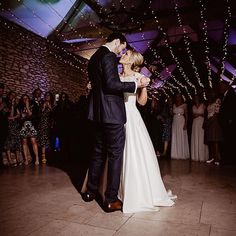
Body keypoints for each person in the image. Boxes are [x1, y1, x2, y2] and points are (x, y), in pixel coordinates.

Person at [82, 33, 150, 213]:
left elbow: (101, 85)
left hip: (97, 114)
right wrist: (135, 85)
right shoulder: (109, 56)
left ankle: (90, 192)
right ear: (118, 42)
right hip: (112, 114)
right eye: (122, 48)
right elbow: (111, 84)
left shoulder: (94, 57)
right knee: (114, 155)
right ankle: (111, 199)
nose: (121, 52)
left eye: (124, 52)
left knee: (97, 153)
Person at [118, 49, 175, 213]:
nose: (123, 54)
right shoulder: (115, 76)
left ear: (132, 61)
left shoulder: (138, 77)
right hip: (116, 118)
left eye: (126, 54)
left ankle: (136, 192)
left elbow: (142, 103)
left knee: (133, 151)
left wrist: (144, 86)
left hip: (131, 117)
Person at [218, 80, 236, 164]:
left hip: (229, 121)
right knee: (225, 139)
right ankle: (226, 158)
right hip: (224, 121)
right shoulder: (224, 96)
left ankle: (229, 159)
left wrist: (230, 119)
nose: (220, 88)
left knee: (229, 139)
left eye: (221, 86)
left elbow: (232, 107)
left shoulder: (231, 95)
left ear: (226, 86)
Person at [171, 93, 190, 160]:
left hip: (181, 121)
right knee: (175, 136)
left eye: (179, 97)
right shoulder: (174, 105)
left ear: (181, 97)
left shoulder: (184, 105)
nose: (178, 98)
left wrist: (186, 124)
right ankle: (175, 154)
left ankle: (182, 154)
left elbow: (187, 115)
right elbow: (172, 114)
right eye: (177, 97)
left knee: (181, 136)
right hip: (175, 121)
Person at [191, 94, 209, 162]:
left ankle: (202, 156)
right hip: (195, 123)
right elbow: (192, 115)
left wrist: (199, 114)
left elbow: (205, 114)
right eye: (195, 98)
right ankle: (196, 156)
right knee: (196, 137)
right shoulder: (193, 106)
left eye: (197, 98)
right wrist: (196, 115)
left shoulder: (203, 105)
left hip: (201, 122)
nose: (196, 99)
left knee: (201, 138)